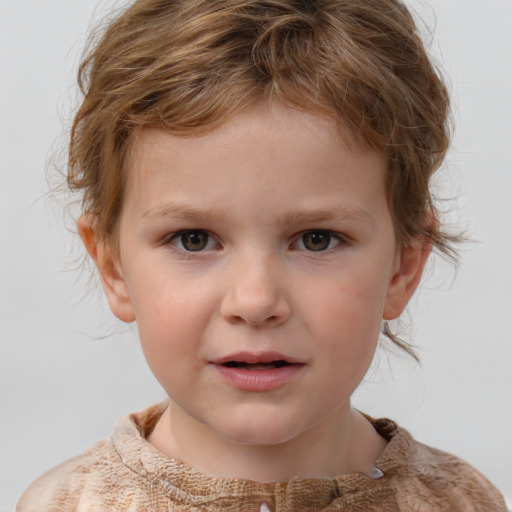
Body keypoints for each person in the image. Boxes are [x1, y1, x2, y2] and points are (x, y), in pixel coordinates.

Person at [17, 0, 507, 510]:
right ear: (113, 267)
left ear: (403, 267)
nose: (254, 301)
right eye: (194, 239)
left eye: (317, 239)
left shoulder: (462, 501)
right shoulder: (66, 504)